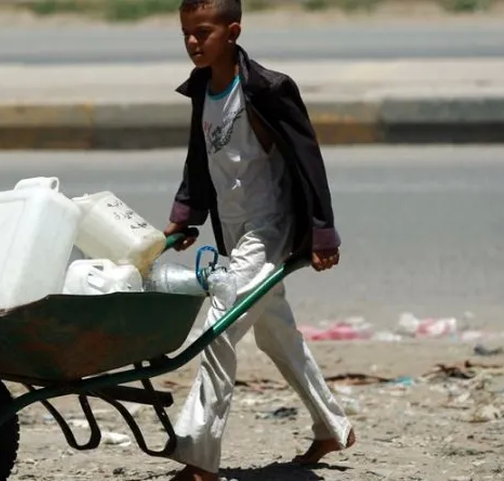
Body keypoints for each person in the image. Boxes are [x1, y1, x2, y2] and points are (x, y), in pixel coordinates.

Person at [161, 0, 356, 479]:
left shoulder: (268, 90)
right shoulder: (203, 90)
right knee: (276, 333)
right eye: (186, 33)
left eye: (202, 32)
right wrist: (187, 216)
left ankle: (197, 455)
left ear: (232, 31)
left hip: (269, 230)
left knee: (216, 328)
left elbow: (309, 160)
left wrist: (322, 231)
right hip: (232, 231)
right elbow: (199, 158)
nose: (192, 42)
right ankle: (332, 426)